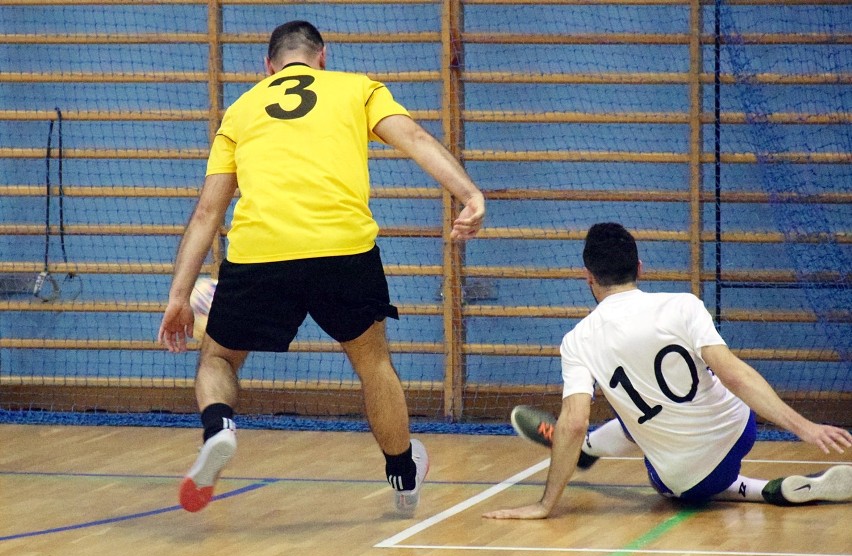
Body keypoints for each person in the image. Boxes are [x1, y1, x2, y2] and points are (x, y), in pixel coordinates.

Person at [158, 20, 485, 515]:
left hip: (260, 252)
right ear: (322, 57)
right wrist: (469, 194)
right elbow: (415, 138)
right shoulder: (357, 88)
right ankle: (402, 473)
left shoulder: (242, 109)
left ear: (269, 66)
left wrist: (178, 297)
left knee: (219, 359)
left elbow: (208, 211)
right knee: (373, 363)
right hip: (343, 249)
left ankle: (219, 428)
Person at [484, 223, 852, 520]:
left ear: (589, 279)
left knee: (667, 477)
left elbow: (574, 421)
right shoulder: (684, 305)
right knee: (649, 406)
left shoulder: (578, 340)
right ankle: (586, 451)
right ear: (640, 268)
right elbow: (735, 375)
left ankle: (588, 450)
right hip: (741, 426)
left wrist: (545, 505)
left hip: (693, 474)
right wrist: (805, 427)